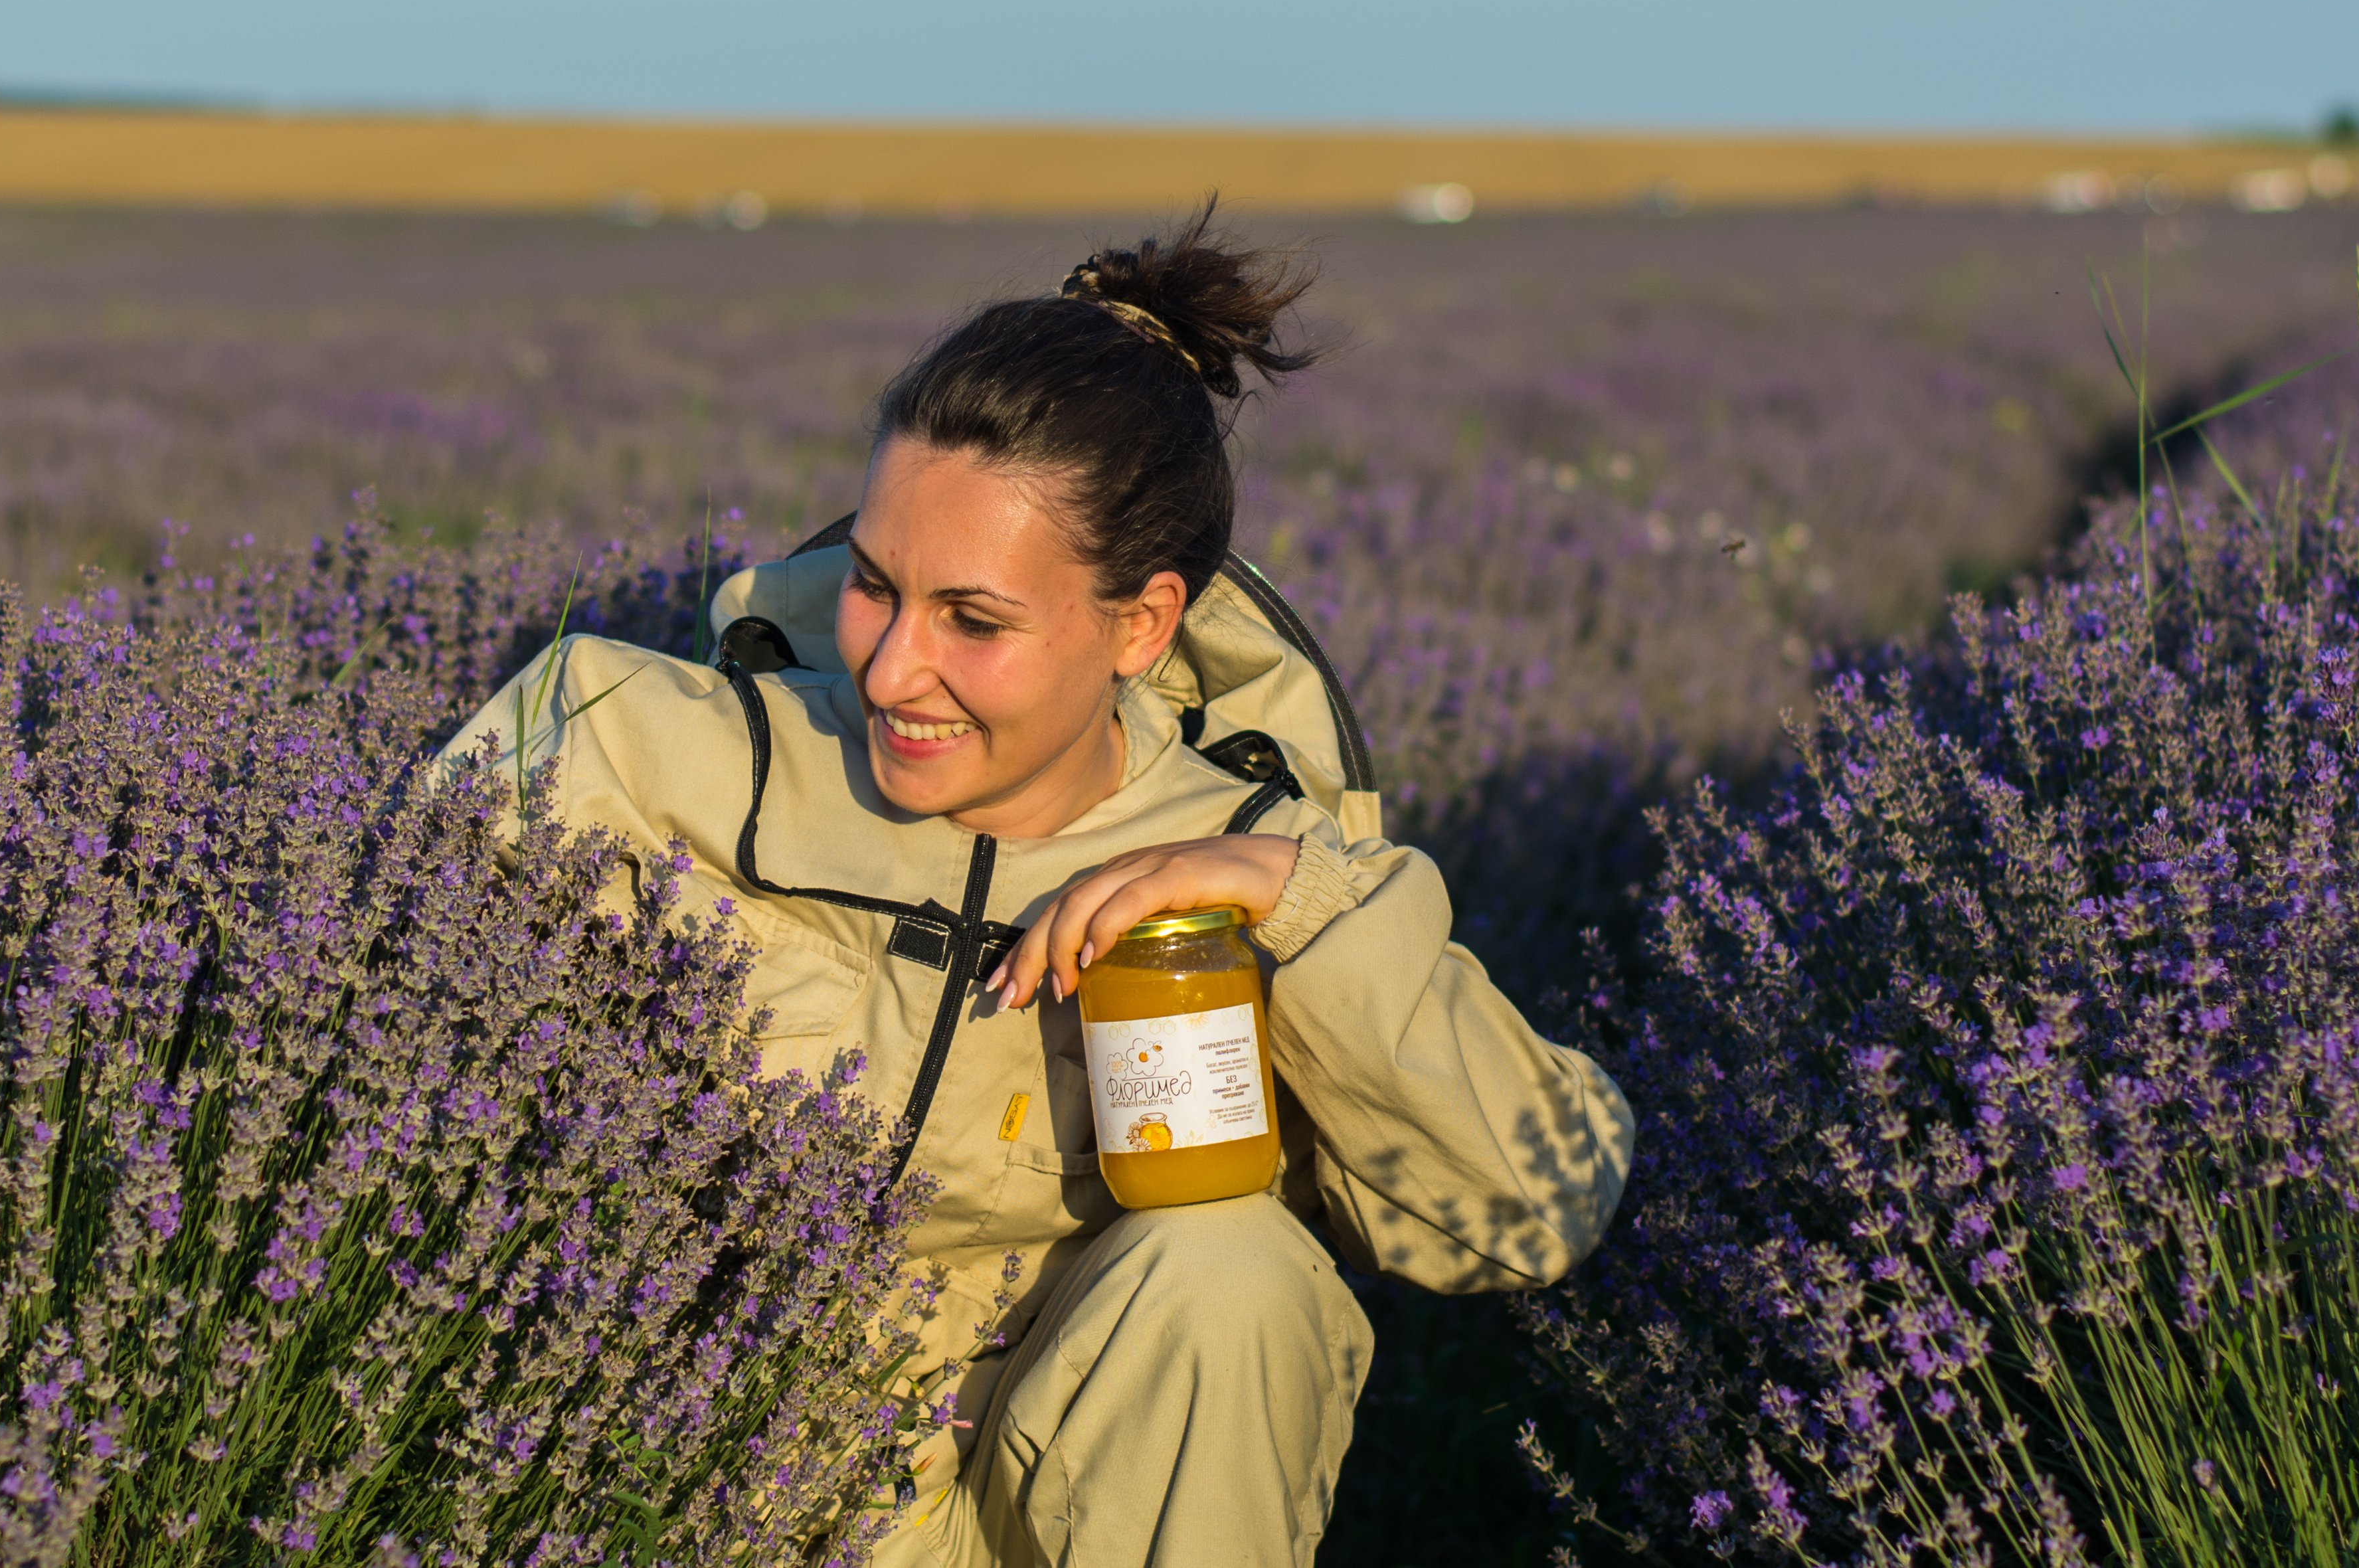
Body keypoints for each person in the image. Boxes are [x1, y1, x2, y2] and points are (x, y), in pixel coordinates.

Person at [440, 215, 1634, 1568]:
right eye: (876, 587)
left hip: (1050, 1517)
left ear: (1138, 624)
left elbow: (1534, 1202)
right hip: (703, 1492)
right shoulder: (654, 752)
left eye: (973, 618)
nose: (892, 670)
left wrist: (1283, 892)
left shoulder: (1262, 856)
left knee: (1233, 1273)